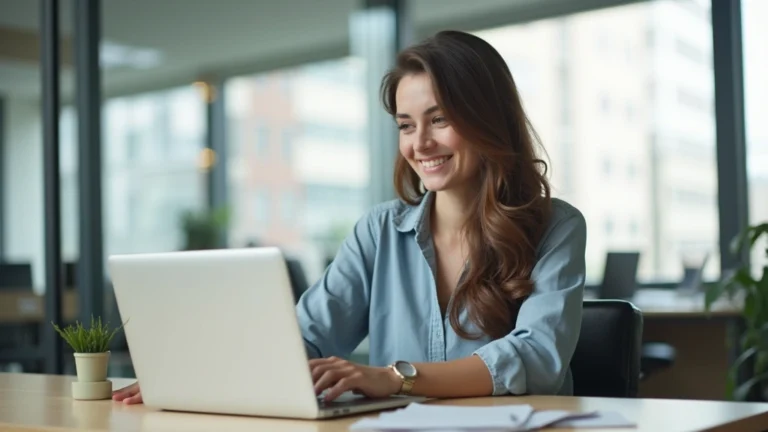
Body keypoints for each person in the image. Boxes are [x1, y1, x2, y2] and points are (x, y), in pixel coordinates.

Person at [112, 30, 586, 405]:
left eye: (439, 120)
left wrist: (394, 379)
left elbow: (536, 357)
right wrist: (194, 383)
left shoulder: (556, 227)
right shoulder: (379, 231)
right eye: (406, 125)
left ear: (488, 120)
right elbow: (306, 337)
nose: (419, 144)